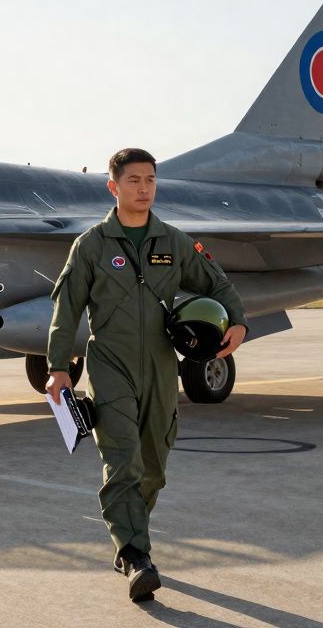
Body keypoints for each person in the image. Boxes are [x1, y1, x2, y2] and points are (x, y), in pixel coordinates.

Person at [46, 148, 247, 602]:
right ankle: (137, 556)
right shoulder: (92, 245)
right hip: (109, 363)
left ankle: (130, 536)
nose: (144, 189)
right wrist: (59, 368)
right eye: (134, 181)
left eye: (151, 180)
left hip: (160, 364)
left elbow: (217, 283)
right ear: (113, 187)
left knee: (153, 466)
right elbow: (67, 307)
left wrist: (237, 319)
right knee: (123, 460)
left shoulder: (174, 242)